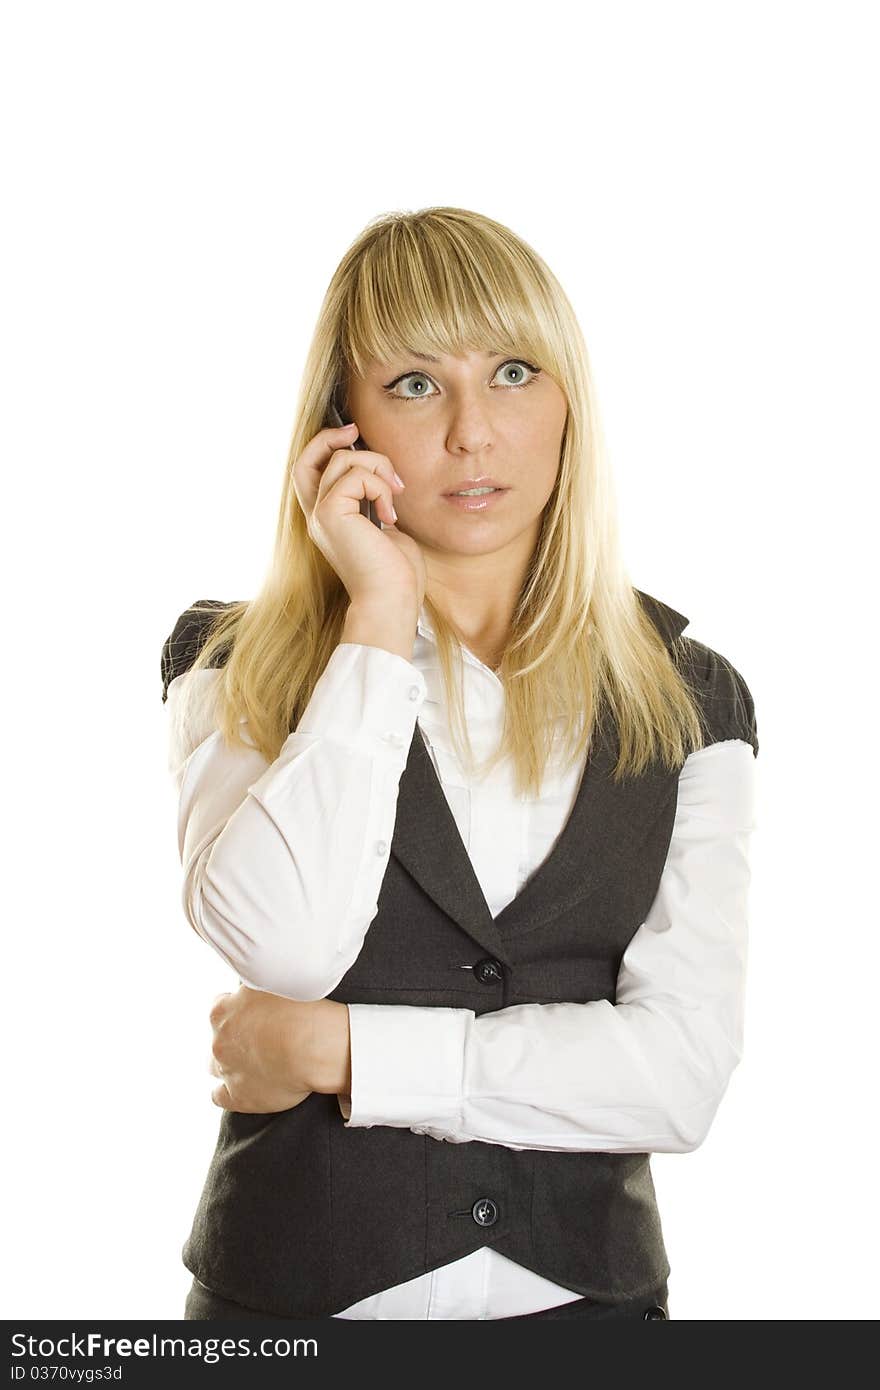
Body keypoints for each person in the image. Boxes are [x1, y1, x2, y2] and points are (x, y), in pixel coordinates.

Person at [161, 206, 758, 1322]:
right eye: (417, 385)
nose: (473, 434)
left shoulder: (694, 698)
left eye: (514, 372)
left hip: (594, 1312)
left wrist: (348, 1050)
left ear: (569, 400)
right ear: (344, 423)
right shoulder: (233, 664)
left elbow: (678, 1079)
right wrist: (375, 619)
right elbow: (286, 946)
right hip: (291, 1314)